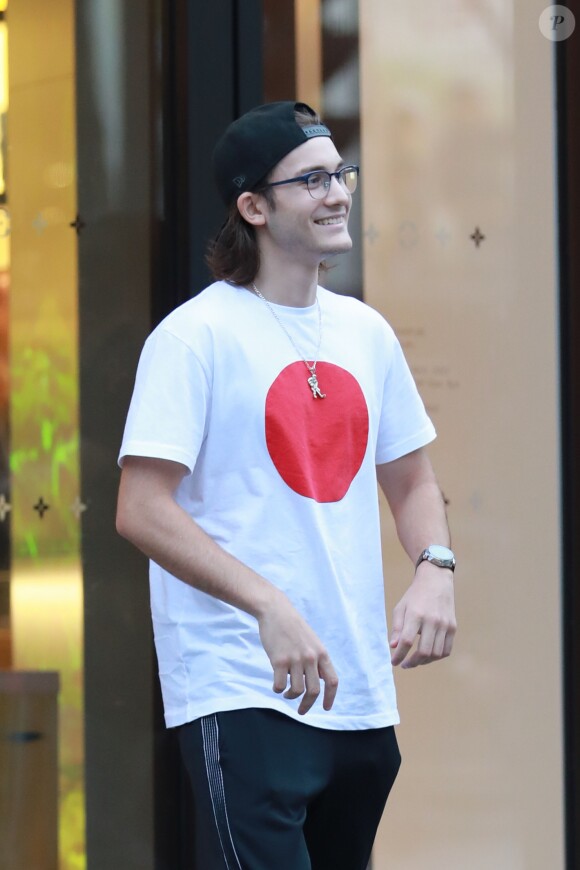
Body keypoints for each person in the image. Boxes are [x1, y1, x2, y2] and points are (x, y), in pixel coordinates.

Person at [116, 100, 457, 870]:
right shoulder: (194, 337)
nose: (338, 194)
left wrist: (435, 569)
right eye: (312, 180)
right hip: (242, 685)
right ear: (254, 208)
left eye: (341, 174)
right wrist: (268, 603)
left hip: (357, 694)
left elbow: (412, 481)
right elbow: (139, 508)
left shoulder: (366, 332)